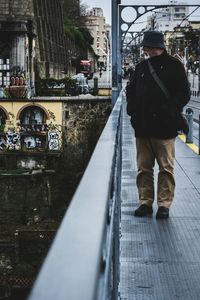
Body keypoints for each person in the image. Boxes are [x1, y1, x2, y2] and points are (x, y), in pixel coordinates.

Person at [126, 31, 190, 219]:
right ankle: (145, 202)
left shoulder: (175, 66)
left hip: (164, 127)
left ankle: (164, 204)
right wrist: (133, 111)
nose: (147, 50)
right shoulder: (141, 67)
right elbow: (131, 89)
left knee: (165, 168)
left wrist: (168, 110)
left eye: (149, 47)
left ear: (159, 47)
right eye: (146, 47)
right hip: (143, 126)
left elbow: (183, 94)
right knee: (143, 168)